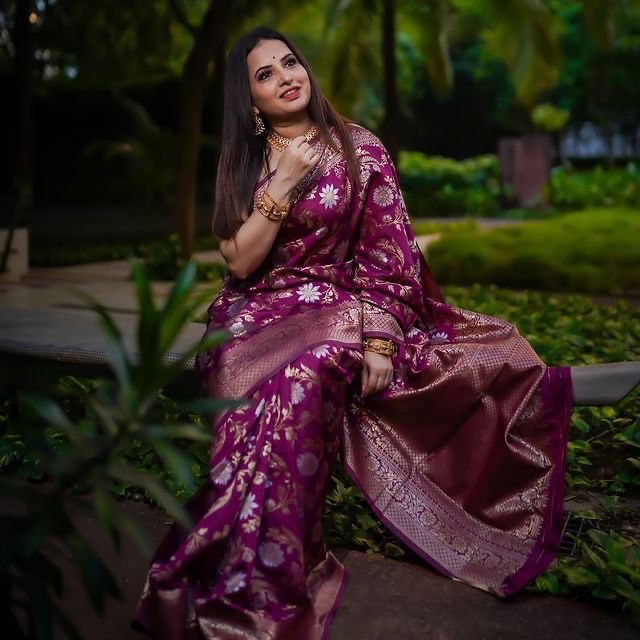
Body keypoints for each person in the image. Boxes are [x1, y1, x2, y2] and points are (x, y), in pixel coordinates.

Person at [133, 26, 640, 640]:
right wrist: (284, 182)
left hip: (338, 310)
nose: (286, 77)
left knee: (303, 376)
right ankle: (240, 562)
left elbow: (389, 257)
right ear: (250, 101)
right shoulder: (244, 161)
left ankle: (268, 569)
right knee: (257, 397)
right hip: (253, 315)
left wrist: (378, 339)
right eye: (265, 74)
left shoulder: (359, 148)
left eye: (290, 62)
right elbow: (240, 262)